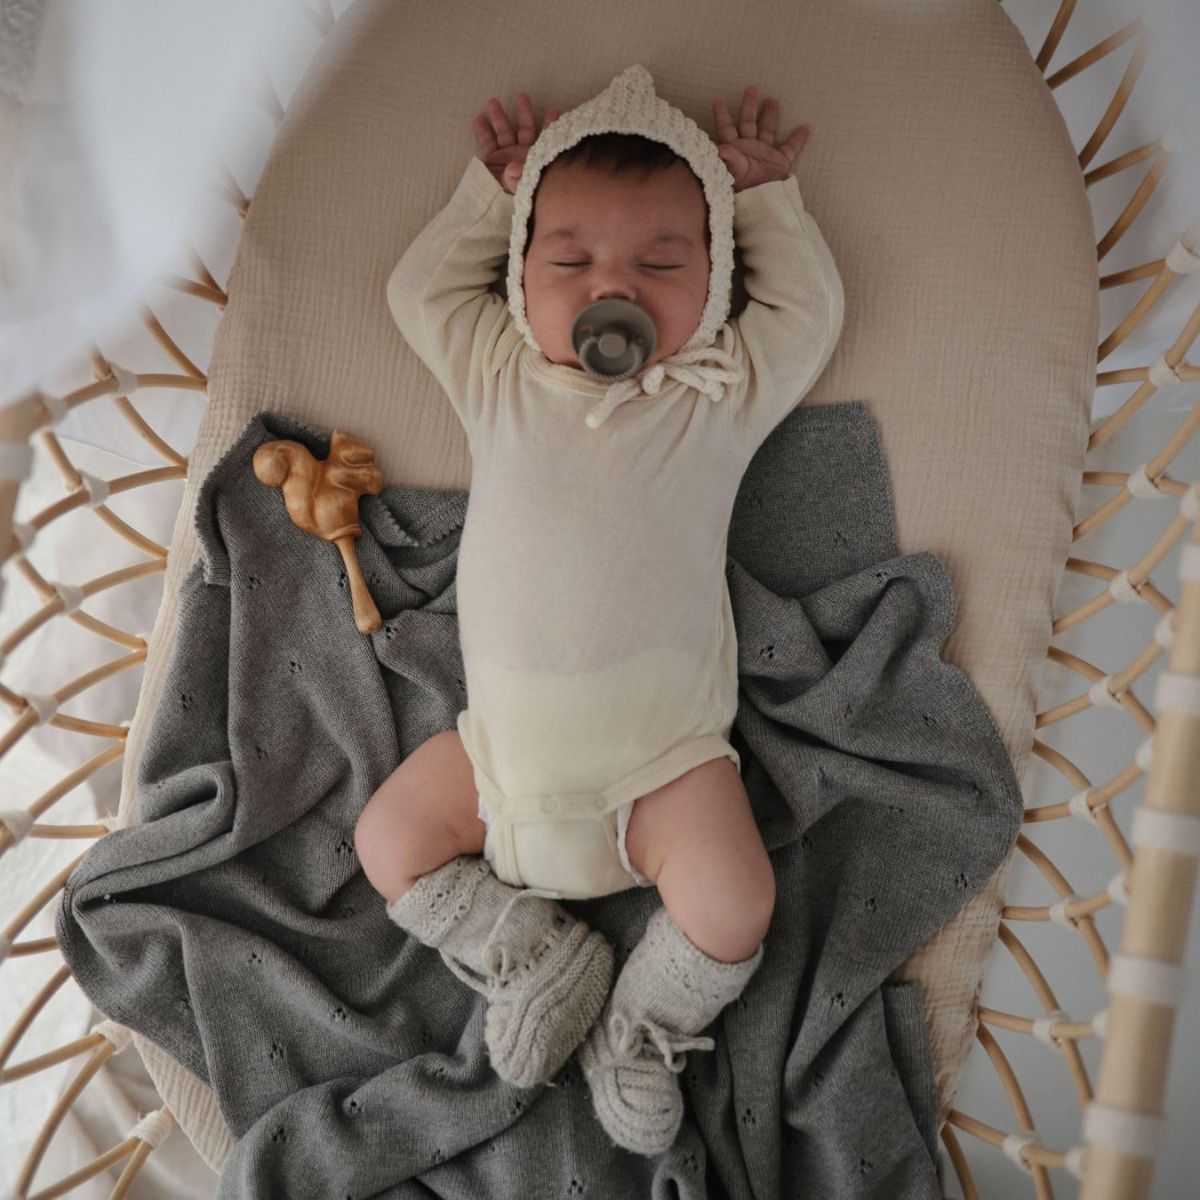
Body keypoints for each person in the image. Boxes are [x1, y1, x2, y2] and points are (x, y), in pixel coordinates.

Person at [355, 64, 844, 1156]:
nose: (608, 286)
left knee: (734, 901)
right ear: (520, 278)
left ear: (713, 284)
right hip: (499, 766)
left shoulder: (715, 393)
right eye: (568, 261)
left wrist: (769, 203)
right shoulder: (499, 374)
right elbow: (420, 295)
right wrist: (489, 198)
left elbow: (807, 316)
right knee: (388, 839)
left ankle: (641, 1027)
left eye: (661, 264)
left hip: (662, 770)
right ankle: (532, 952)